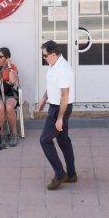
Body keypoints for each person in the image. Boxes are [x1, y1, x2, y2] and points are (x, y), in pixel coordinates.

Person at [35, 40, 77, 190]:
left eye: (45, 56)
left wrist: (60, 118)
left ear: (53, 54)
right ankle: (71, 174)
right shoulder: (53, 65)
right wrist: (43, 99)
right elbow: (53, 87)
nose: (43, 58)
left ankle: (60, 174)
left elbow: (65, 95)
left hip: (60, 109)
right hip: (54, 106)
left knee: (45, 140)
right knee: (63, 140)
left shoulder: (63, 69)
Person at [0, 47, 20, 148]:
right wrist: (5, 82)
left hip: (9, 92)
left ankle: (14, 134)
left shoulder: (13, 67)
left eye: (0, 56)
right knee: (1, 107)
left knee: (9, 107)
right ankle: (0, 135)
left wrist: (9, 67)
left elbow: (13, 81)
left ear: (7, 58)